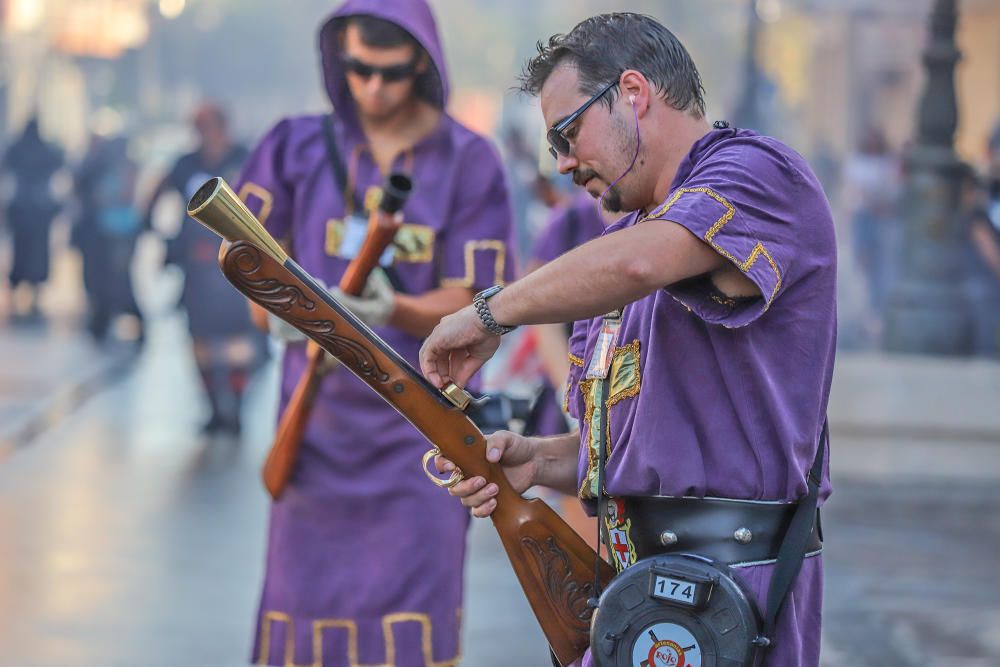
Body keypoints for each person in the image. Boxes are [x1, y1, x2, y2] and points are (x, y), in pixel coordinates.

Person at [419, 13, 835, 667]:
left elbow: (642, 265)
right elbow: (647, 446)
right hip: (635, 605)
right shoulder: (621, 246)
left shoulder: (760, 174)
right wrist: (537, 459)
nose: (560, 163)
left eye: (567, 132)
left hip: (728, 603)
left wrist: (490, 311)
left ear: (633, 93)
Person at [232, 1, 514, 665]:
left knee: (411, 623)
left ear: (421, 60)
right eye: (357, 69)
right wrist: (275, 312)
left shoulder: (471, 162)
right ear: (338, 58)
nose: (373, 88)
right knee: (302, 614)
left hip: (418, 438)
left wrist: (395, 308)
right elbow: (242, 256)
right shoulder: (291, 145)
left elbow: (482, 297)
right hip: (314, 435)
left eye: (389, 72)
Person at [143, 103, 262, 434]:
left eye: (207, 126)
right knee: (201, 339)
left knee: (238, 338)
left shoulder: (245, 159)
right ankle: (213, 409)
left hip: (240, 264)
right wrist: (152, 228)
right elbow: (157, 191)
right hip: (196, 266)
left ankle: (235, 407)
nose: (203, 134)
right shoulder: (186, 164)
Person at [71, 133, 144, 342]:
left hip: (119, 229)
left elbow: (122, 195)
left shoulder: (124, 168)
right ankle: (103, 319)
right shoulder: (101, 166)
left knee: (119, 277)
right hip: (107, 229)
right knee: (106, 278)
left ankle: (118, 317)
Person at [1, 117, 64, 318]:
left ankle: (25, 293)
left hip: (26, 207)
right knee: (31, 253)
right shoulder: (41, 150)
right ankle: (28, 294)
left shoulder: (19, 149)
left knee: (27, 252)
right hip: (35, 207)